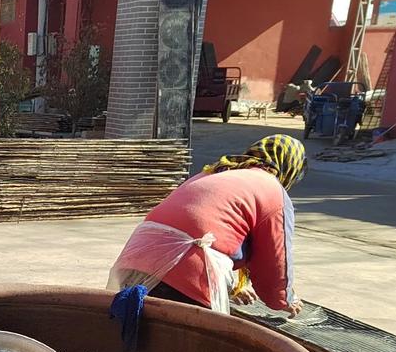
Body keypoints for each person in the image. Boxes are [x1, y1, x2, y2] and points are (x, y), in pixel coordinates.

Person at [108, 134, 307, 315]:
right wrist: (284, 299)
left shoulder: (215, 172)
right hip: (187, 271)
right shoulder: (271, 189)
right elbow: (273, 262)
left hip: (134, 259)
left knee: (134, 336)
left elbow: (210, 229)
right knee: (181, 348)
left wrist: (230, 286)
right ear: (289, 168)